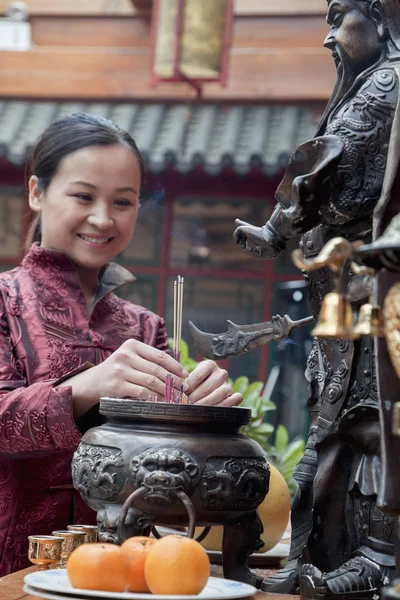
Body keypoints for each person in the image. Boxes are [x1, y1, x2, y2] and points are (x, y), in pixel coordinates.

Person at [0, 112, 242, 576]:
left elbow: (168, 467)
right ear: (36, 192)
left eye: (123, 202)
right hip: (10, 568)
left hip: (124, 568)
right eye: (83, 195)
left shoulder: (145, 327)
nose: (102, 218)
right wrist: (84, 387)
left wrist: (206, 415)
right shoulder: (5, 300)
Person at [234, 0, 400, 598]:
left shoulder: (386, 79)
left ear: (381, 18)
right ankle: (315, 551)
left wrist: (278, 228)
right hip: (346, 297)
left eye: (339, 18)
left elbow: (323, 160)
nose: (329, 37)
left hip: (377, 294)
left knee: (376, 423)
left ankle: (379, 555)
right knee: (337, 424)